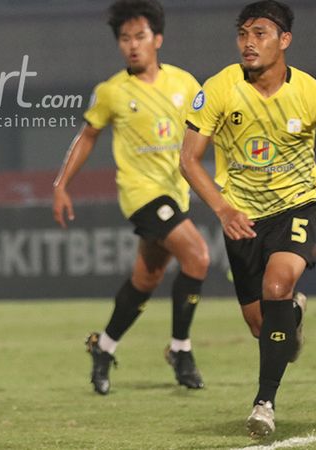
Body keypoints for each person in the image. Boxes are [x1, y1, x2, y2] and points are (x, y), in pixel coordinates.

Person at [179, 0, 316, 437]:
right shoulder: (220, 88)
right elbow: (189, 160)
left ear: (285, 40)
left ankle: (264, 404)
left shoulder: (313, 94)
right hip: (241, 215)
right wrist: (223, 209)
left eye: (259, 33)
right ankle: (291, 321)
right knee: (262, 325)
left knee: (277, 284)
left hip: (297, 207)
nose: (248, 43)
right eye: (243, 34)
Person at [52, 0, 211, 395]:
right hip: (141, 193)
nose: (132, 45)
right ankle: (181, 349)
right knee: (198, 256)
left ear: (157, 38)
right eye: (125, 39)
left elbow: (209, 129)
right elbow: (88, 136)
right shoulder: (111, 92)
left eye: (139, 36)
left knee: (147, 278)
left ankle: (103, 347)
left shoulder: (185, 84)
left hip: (176, 192)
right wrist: (61, 184)